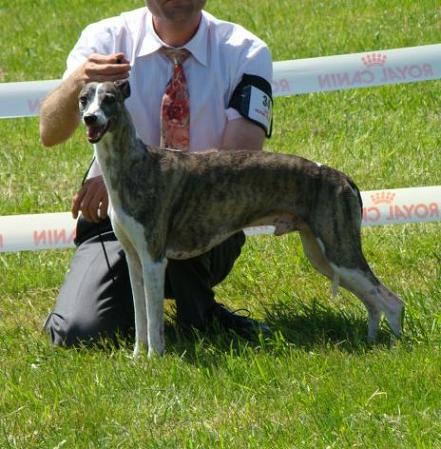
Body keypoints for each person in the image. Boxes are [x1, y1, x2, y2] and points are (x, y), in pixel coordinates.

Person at [39, 0, 274, 347]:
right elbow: (50, 131)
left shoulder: (246, 51)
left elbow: (239, 161)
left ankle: (201, 314)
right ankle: (184, 313)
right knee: (79, 331)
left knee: (175, 221)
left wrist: (145, 176)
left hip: (203, 213)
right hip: (115, 215)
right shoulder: (106, 38)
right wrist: (78, 80)